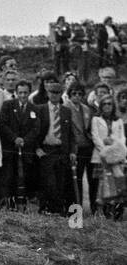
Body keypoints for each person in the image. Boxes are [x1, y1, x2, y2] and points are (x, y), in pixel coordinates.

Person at [34, 72, 74, 214]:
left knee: (60, 182)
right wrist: (37, 148)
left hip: (61, 150)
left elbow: (70, 134)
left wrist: (72, 151)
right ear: (47, 92)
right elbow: (34, 131)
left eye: (58, 93)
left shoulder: (66, 111)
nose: (55, 95)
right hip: (46, 149)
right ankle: (46, 209)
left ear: (61, 93)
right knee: (48, 182)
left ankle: (57, 210)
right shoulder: (40, 109)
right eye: (52, 92)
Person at [90, 92, 126, 217]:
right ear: (101, 106)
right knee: (102, 185)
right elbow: (95, 137)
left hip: (117, 158)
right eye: (104, 104)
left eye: (109, 104)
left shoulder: (118, 121)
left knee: (117, 184)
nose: (107, 106)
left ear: (113, 106)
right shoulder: (96, 119)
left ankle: (117, 211)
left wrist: (115, 151)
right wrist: (106, 152)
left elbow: (122, 139)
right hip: (101, 157)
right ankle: (101, 212)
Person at [65, 82, 95, 212]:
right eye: (74, 93)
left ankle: (94, 208)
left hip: (88, 147)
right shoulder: (65, 108)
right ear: (69, 94)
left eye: (80, 94)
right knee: (75, 179)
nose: (77, 96)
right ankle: (76, 209)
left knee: (92, 178)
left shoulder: (86, 109)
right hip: (75, 148)